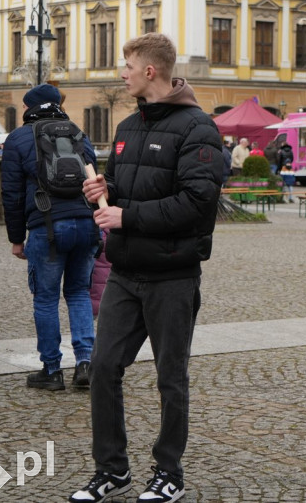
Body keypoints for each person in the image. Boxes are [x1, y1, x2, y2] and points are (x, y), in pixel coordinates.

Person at [74, 33, 223, 503]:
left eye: (128, 65)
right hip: (124, 272)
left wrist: (126, 216)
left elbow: (199, 204)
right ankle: (112, 470)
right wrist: (103, 190)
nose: (122, 73)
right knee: (102, 368)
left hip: (172, 277)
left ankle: (169, 473)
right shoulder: (127, 127)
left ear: (151, 71)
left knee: (169, 377)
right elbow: (121, 188)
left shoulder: (199, 128)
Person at [1, 83, 97, 392]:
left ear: (28, 108)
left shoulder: (18, 139)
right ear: (58, 105)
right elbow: (95, 178)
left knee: (45, 298)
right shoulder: (77, 133)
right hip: (85, 223)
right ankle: (85, 363)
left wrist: (17, 238)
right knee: (79, 292)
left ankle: (52, 370)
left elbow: (11, 194)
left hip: (47, 226)